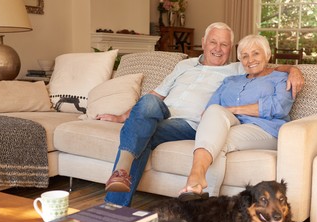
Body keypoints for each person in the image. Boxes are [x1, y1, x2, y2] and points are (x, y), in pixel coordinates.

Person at [97, 22, 304, 207]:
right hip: (160, 114)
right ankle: (121, 173)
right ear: (204, 42)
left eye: (224, 45)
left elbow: (264, 67)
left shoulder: (235, 70)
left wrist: (293, 69)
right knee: (148, 105)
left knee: (142, 133)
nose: (218, 49)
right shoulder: (184, 65)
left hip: (188, 124)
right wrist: (123, 117)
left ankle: (114, 206)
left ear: (230, 50)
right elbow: (154, 95)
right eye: (213, 42)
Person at [178, 34, 295, 200]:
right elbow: (210, 111)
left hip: (265, 129)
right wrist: (220, 115)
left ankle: (203, 193)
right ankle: (198, 184)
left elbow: (278, 107)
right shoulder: (230, 81)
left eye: (256, 53)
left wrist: (234, 109)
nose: (250, 60)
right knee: (214, 112)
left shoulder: (280, 78)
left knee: (219, 143)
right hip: (231, 125)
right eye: (245, 56)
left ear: (267, 55)